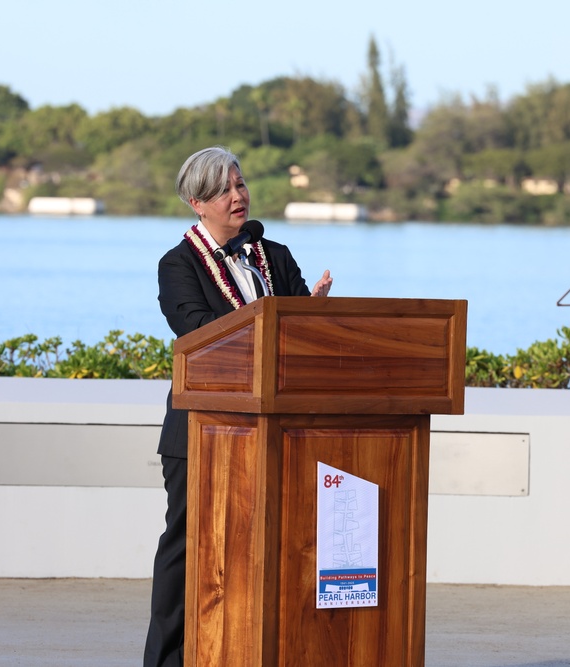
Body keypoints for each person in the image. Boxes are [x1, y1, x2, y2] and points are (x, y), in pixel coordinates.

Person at [144, 146, 332, 667]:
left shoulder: (275, 256)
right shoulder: (177, 265)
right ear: (195, 203)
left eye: (241, 184)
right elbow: (199, 334)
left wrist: (310, 318)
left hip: (273, 428)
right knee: (187, 549)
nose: (238, 196)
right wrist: (272, 322)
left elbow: (300, 338)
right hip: (200, 431)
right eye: (224, 190)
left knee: (267, 547)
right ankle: (167, 661)